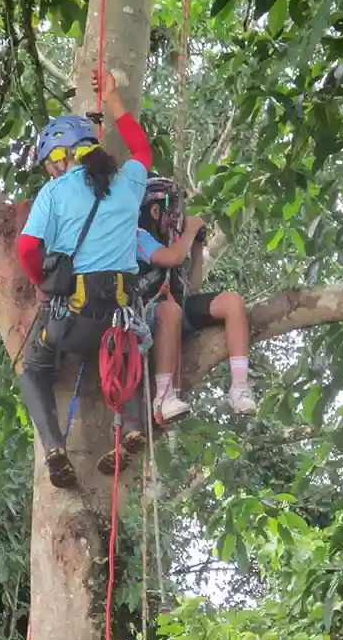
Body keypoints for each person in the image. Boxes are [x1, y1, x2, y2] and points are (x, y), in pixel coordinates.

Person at [15, 68, 154, 488]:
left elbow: (27, 248)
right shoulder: (128, 182)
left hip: (71, 323)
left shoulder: (54, 193)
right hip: (118, 322)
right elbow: (141, 149)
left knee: (33, 369)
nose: (51, 172)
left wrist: (40, 283)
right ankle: (132, 425)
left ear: (61, 158)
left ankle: (54, 449)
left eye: (51, 164)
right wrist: (111, 97)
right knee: (124, 354)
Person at [134, 177, 258, 415]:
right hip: (149, 314)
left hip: (178, 309)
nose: (177, 218)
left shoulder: (171, 241)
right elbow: (172, 259)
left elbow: (192, 287)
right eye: (172, 211)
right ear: (155, 211)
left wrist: (197, 248)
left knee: (232, 302)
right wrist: (190, 230)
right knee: (170, 310)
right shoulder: (139, 236)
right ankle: (163, 397)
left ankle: (240, 387)